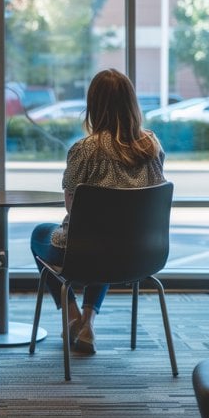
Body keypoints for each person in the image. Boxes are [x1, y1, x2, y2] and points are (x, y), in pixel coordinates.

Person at [30, 68, 166, 355]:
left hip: (87, 254)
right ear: (132, 103)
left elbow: (71, 205)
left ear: (93, 105)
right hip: (141, 254)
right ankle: (88, 322)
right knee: (109, 239)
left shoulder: (85, 149)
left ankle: (72, 316)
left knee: (42, 235)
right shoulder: (152, 146)